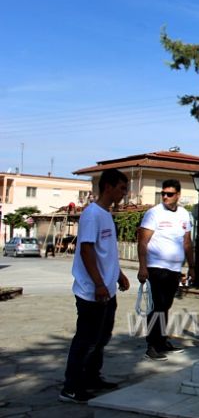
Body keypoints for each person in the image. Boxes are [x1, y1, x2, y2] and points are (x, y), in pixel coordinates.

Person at [59, 169, 130, 404]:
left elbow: (105, 252)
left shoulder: (106, 214)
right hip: (92, 292)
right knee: (86, 339)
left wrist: (118, 275)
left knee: (101, 337)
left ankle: (91, 377)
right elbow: (87, 250)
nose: (124, 194)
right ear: (108, 186)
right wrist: (99, 283)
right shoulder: (92, 214)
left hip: (107, 291)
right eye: (121, 188)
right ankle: (71, 387)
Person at [138, 179, 195, 361]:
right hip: (156, 267)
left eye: (169, 194)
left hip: (174, 268)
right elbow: (142, 241)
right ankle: (152, 345)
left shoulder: (185, 215)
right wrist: (142, 266)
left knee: (166, 305)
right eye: (163, 193)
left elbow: (187, 242)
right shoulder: (153, 213)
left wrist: (192, 266)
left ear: (178, 195)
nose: (165, 197)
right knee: (157, 305)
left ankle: (162, 341)